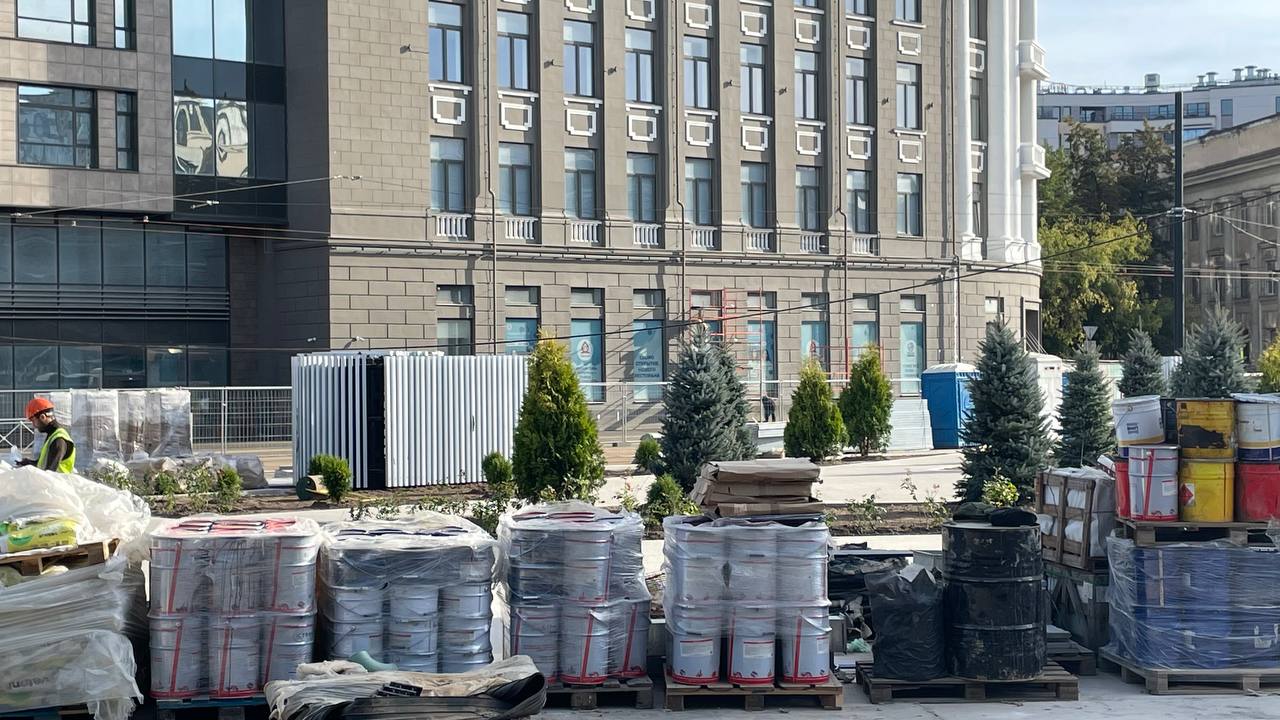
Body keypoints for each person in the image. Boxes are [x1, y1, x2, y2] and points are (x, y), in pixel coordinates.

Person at [18, 398, 76, 473]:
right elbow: (43, 465)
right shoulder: (52, 435)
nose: (34, 425)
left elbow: (49, 473)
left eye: (34, 421)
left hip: (57, 480)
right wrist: (29, 463)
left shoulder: (58, 440)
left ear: (43, 417)